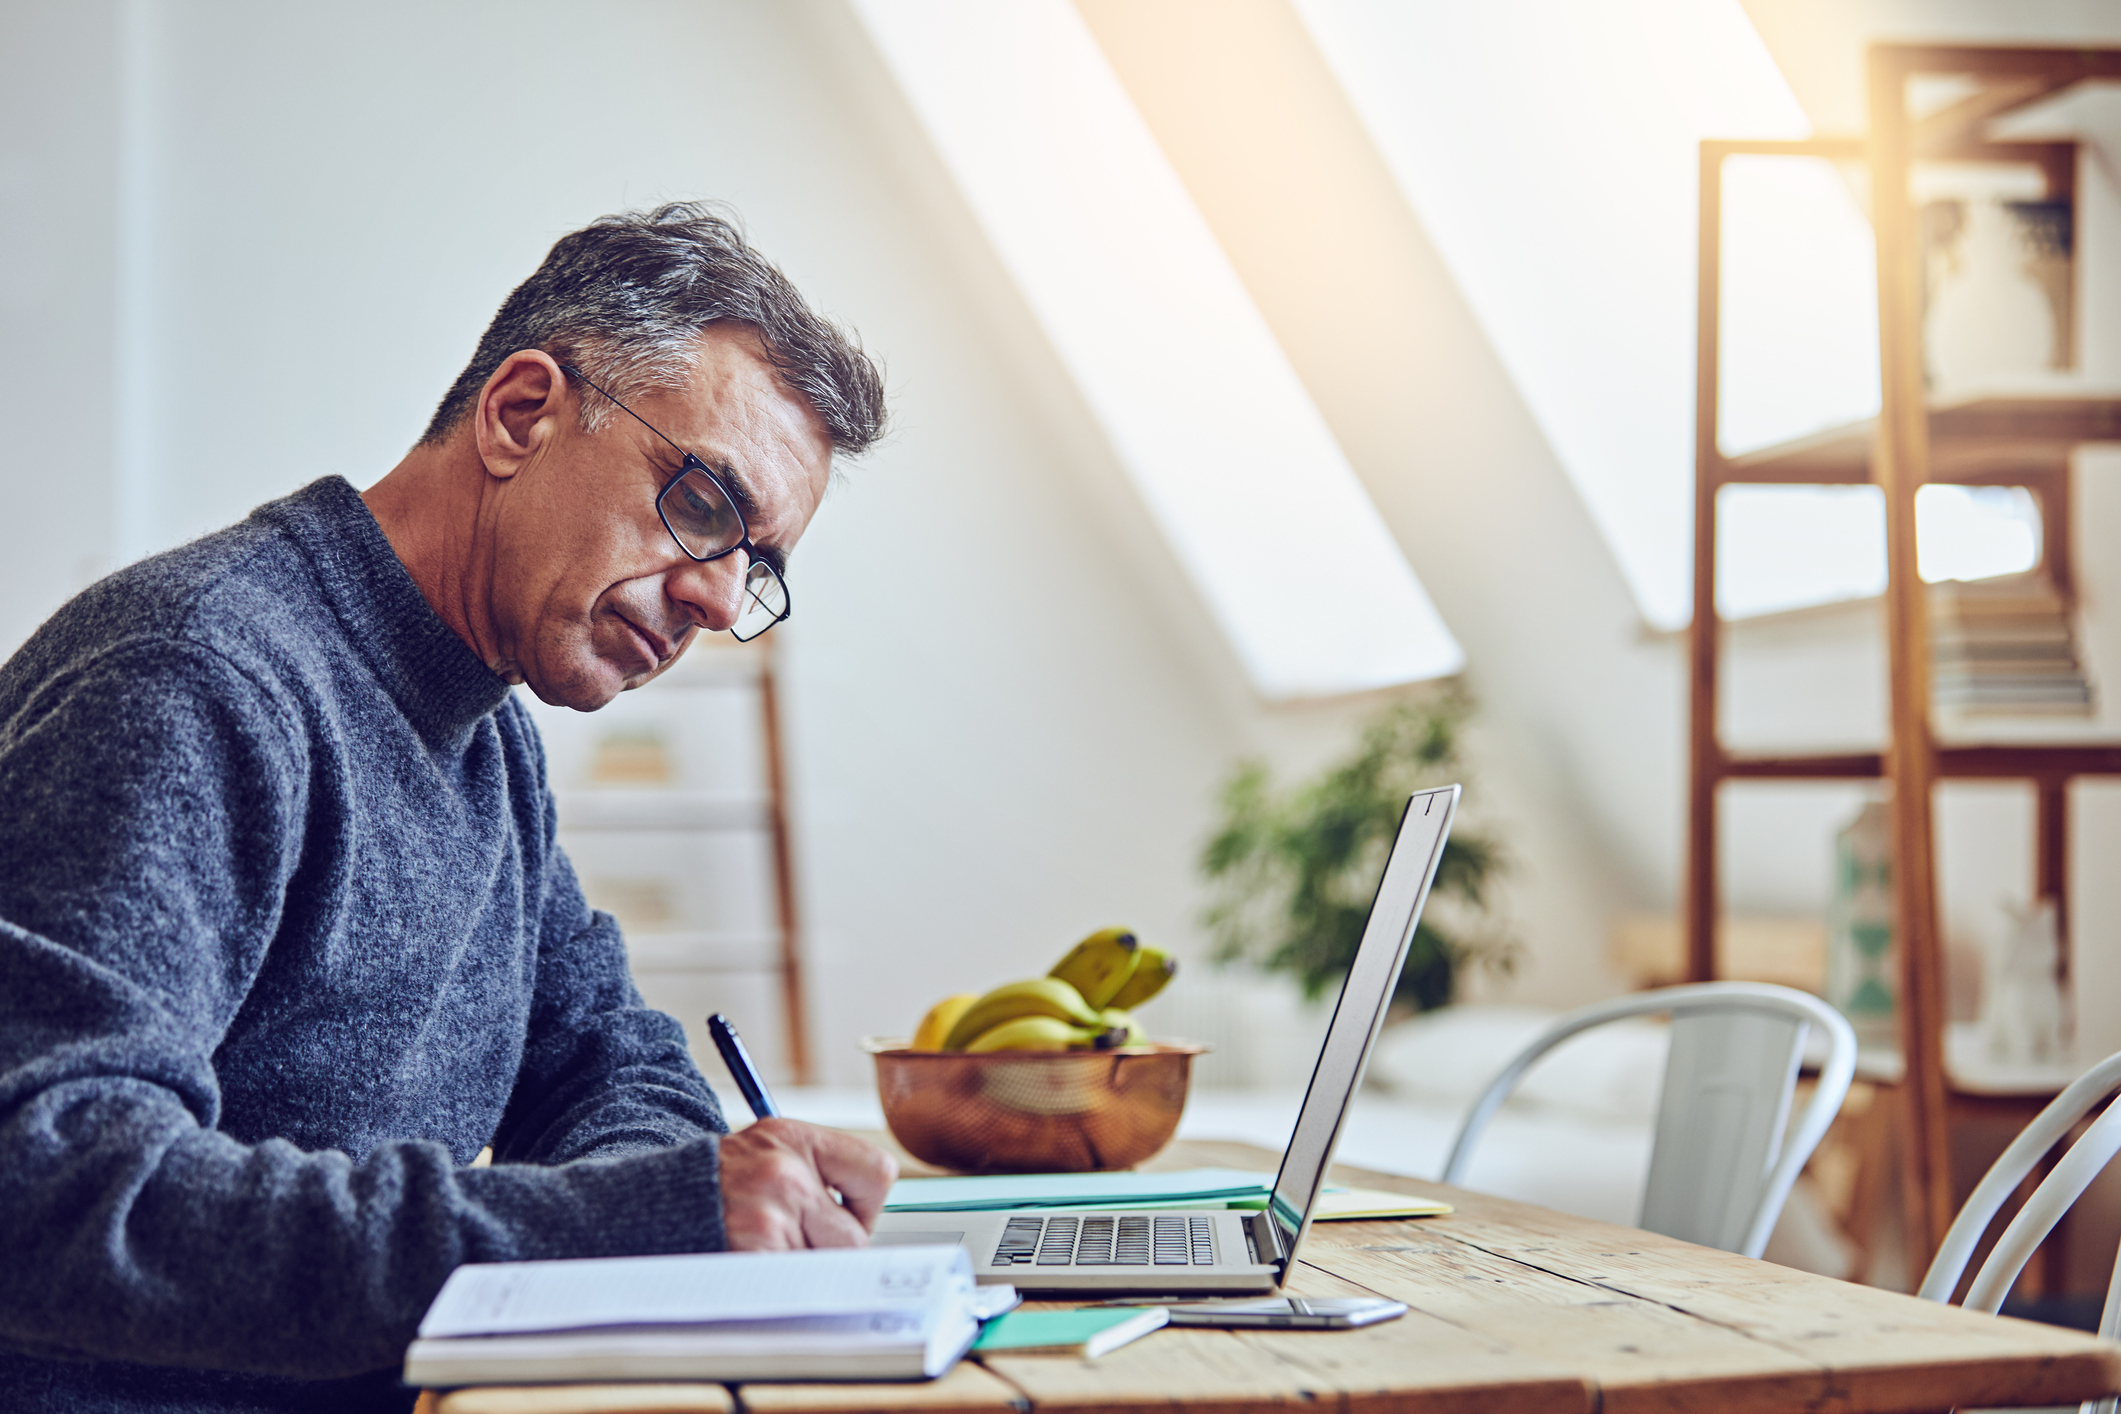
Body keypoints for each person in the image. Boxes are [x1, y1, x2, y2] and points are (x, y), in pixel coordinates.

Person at [0, 203, 898, 1412]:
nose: (711, 597)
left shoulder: (489, 740)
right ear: (521, 413)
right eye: (700, 505)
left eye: (759, 567)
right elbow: (46, 1186)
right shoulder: (194, 677)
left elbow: (608, 1068)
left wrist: (660, 1212)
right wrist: (623, 1225)